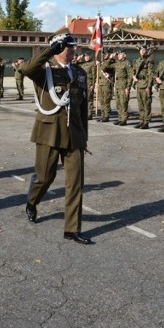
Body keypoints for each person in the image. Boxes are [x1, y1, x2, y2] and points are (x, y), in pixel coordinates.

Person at [22, 32, 93, 245]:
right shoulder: (45, 71)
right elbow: (26, 69)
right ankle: (32, 201)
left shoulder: (80, 73)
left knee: (75, 183)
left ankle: (72, 229)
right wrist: (49, 50)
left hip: (74, 135)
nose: (72, 50)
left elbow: (82, 108)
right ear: (58, 49)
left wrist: (84, 138)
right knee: (45, 177)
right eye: (67, 47)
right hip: (49, 133)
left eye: (73, 47)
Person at [105, 49, 132, 125]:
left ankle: (124, 119)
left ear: (125, 55)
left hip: (123, 85)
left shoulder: (127, 63)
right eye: (118, 54)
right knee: (118, 103)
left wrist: (128, 87)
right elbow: (105, 67)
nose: (119, 56)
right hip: (117, 85)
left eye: (121, 54)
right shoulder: (117, 63)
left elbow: (130, 76)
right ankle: (120, 118)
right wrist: (110, 58)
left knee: (123, 103)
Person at [131, 45, 155, 129]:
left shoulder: (149, 61)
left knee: (146, 105)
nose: (142, 51)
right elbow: (133, 70)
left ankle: (146, 122)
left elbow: (151, 74)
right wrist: (133, 76)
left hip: (145, 86)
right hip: (139, 85)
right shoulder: (137, 61)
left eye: (144, 50)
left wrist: (149, 87)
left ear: (146, 51)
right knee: (140, 105)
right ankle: (141, 121)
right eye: (141, 50)